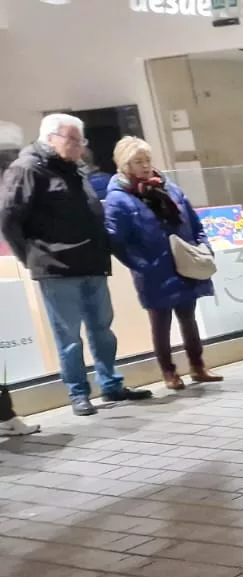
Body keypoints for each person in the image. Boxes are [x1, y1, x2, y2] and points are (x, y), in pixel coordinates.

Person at [0, 115, 153, 415]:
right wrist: (31, 256)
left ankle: (111, 385)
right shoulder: (27, 168)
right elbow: (8, 218)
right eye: (72, 141)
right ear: (50, 138)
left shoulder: (76, 168)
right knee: (69, 337)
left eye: (81, 141)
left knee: (102, 330)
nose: (78, 147)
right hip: (56, 267)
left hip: (91, 263)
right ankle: (78, 393)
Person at [102, 136, 222, 390]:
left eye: (147, 160)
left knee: (188, 317)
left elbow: (194, 221)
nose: (145, 166)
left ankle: (198, 366)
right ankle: (168, 372)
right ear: (124, 164)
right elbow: (115, 241)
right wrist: (141, 265)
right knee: (161, 322)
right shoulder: (118, 199)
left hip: (184, 262)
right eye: (137, 161)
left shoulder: (169, 187)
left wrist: (204, 247)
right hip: (153, 270)